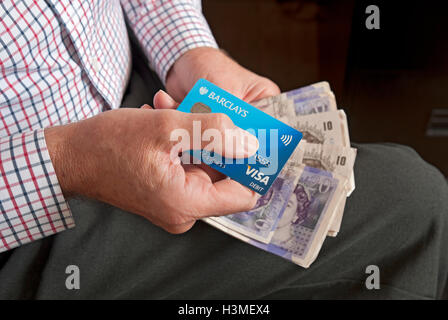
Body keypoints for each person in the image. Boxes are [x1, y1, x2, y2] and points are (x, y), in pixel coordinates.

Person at [0, 1, 447, 299]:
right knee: (417, 205)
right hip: (30, 217)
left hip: (152, 96)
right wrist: (75, 161)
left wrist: (189, 52)